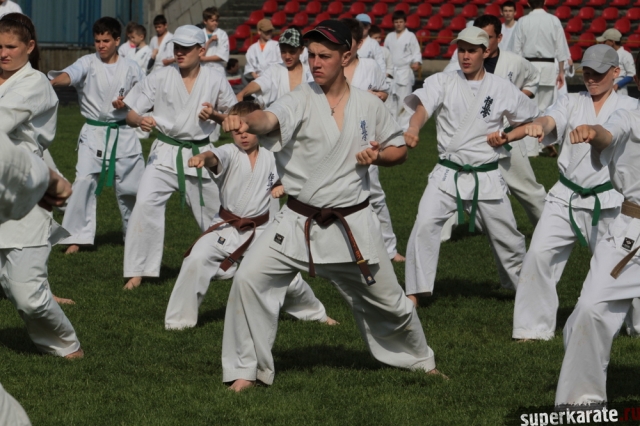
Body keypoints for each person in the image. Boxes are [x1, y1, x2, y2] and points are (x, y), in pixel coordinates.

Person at [218, 20, 441, 392]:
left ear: (346, 56)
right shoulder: (300, 98)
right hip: (297, 220)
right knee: (248, 279)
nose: (315, 62)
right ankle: (246, 369)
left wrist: (378, 157)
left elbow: (398, 149)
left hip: (351, 225)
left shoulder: (369, 104)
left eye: (324, 55)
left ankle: (421, 360)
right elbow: (268, 119)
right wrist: (246, 119)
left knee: (392, 303)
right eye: (311, 55)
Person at [485, 45, 635, 341]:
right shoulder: (571, 101)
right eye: (587, 72)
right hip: (565, 197)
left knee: (621, 266)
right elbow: (548, 120)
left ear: (616, 72)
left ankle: (635, 325)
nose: (591, 79)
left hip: (610, 201)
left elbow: (614, 138)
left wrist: (594, 133)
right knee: (538, 255)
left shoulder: (630, 108)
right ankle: (532, 327)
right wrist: (531, 129)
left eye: (598, 73)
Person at [164, 101, 335, 329]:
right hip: (226, 226)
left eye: (247, 130)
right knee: (196, 258)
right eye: (237, 131)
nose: (243, 135)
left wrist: (282, 186)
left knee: (289, 279)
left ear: (258, 128)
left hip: (262, 230)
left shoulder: (272, 155)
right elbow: (214, 156)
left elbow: (290, 177)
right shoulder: (229, 152)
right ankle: (178, 323)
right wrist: (203, 158)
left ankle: (316, 314)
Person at [403, 27, 539, 307]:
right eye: (461, 50)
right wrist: (414, 128)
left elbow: (527, 122)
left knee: (509, 239)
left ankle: (527, 292)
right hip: (447, 173)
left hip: (485, 175)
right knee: (424, 225)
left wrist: (507, 136)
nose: (465, 56)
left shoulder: (501, 88)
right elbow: (422, 108)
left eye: (472, 51)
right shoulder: (443, 81)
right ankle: (415, 292)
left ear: (485, 52)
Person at [552, 50, 640, 407]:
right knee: (588, 310)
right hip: (632, 230)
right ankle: (581, 403)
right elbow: (609, 133)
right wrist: (593, 132)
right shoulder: (629, 115)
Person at [121, 25, 236, 290]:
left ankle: (227, 261)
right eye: (177, 47)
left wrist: (215, 116)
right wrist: (140, 120)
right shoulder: (160, 76)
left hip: (201, 154)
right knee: (145, 203)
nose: (180, 52)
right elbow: (130, 114)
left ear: (201, 50)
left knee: (216, 211)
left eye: (186, 48)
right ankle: (138, 270)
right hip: (164, 152)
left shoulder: (215, 79)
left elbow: (234, 117)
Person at [0, 13, 82, 359]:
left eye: (10, 46)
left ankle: (66, 345)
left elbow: (4, 120)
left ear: (30, 46)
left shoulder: (34, 84)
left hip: (26, 188)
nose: (3, 53)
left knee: (28, 296)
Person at [441, 15, 546, 241]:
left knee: (527, 188)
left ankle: (550, 229)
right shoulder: (459, 63)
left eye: (488, 37)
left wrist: (520, 96)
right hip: (470, 139)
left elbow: (533, 78)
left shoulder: (514, 62)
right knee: (451, 183)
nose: (483, 43)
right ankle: (439, 235)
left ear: (499, 37)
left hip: (507, 135)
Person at [49, 17, 145, 255]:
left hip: (123, 132)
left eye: (106, 41)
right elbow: (70, 74)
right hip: (93, 132)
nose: (101, 45)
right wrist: (51, 83)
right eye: (97, 41)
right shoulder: (87, 62)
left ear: (117, 41)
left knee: (132, 188)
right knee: (83, 181)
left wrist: (128, 102)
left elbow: (145, 95)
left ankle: (136, 236)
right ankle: (76, 236)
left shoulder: (131, 67)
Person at [341, 18, 405, 263]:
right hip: (334, 138)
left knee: (375, 195)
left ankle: (389, 249)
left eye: (349, 42)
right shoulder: (331, 65)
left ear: (359, 43)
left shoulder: (370, 66)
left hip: (366, 138)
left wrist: (376, 96)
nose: (344, 47)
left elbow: (384, 92)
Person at [508, 0, 570, 115]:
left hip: (528, 67)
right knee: (545, 109)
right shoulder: (554, 20)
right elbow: (561, 49)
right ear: (545, 2)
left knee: (528, 108)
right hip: (548, 68)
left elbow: (515, 50)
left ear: (528, 4)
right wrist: (561, 72)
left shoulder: (522, 21)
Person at [235, 28, 312, 106]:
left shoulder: (310, 72)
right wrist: (242, 93)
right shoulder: (275, 69)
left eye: (292, 52)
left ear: (301, 50)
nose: (287, 56)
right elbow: (261, 82)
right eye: (283, 52)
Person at [384, 11, 421, 128]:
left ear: (405, 22)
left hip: (404, 71)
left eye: (400, 22)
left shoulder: (410, 36)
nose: (398, 24)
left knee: (404, 101)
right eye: (396, 22)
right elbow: (385, 53)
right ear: (393, 23)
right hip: (391, 72)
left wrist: (416, 62)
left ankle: (404, 127)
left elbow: (416, 51)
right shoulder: (389, 36)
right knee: (391, 101)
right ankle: (392, 126)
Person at [598, 28, 636, 97]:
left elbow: (631, 75)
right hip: (605, 89)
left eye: (605, 41)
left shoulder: (625, 55)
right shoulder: (606, 54)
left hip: (619, 92)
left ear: (612, 42)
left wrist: (617, 85)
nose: (603, 43)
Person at [200, 6, 229, 75]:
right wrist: (209, 41)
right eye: (212, 21)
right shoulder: (199, 33)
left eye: (216, 20)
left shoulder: (222, 34)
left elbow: (222, 56)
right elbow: (199, 54)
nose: (215, 23)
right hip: (203, 68)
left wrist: (204, 59)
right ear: (205, 21)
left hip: (217, 69)